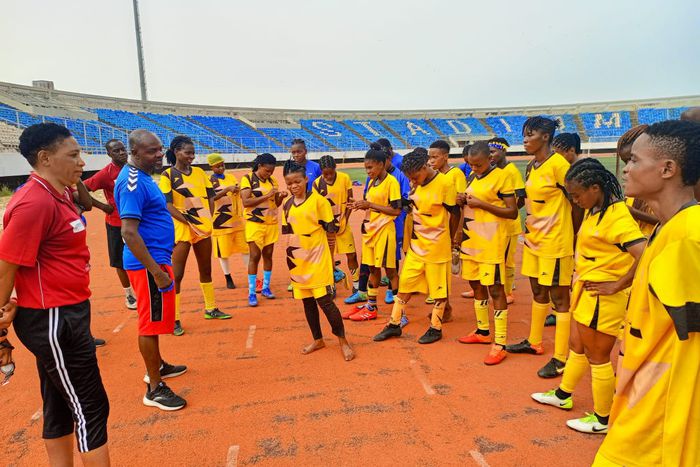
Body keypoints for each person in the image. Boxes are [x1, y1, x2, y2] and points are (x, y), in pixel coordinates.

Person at [0, 123, 110, 465]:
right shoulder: (33, 202)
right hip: (53, 318)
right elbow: (6, 266)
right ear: (45, 158)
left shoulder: (58, 192)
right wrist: (0, 326)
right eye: (73, 155)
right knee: (90, 407)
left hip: (66, 312)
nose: (82, 162)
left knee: (60, 405)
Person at [593, 120, 700, 466]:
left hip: (663, 403)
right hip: (645, 387)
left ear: (667, 169)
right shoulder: (669, 227)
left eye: (635, 161)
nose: (626, 169)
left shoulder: (688, 236)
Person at [531, 158, 645, 434]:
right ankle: (563, 394)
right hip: (586, 291)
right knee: (577, 346)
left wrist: (617, 285)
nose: (574, 200)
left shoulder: (617, 216)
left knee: (598, 356)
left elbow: (645, 254)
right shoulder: (595, 209)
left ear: (595, 188)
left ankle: (603, 419)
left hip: (603, 299)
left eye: (577, 195)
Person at [115, 129, 188, 411]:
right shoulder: (132, 182)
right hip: (148, 264)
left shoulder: (142, 177)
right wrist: (156, 271)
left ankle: (157, 365)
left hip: (155, 259)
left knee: (154, 320)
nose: (159, 155)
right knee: (148, 323)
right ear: (134, 152)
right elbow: (129, 232)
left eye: (159, 149)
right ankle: (154, 388)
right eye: (151, 151)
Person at [506, 116, 582, 379]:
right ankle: (534, 341)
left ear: (546, 137)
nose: (525, 140)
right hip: (534, 239)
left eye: (531, 134)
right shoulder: (532, 165)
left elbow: (577, 203)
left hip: (555, 242)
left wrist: (572, 236)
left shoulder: (559, 165)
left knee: (560, 299)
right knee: (538, 291)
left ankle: (561, 358)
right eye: (524, 134)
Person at [373, 150, 459, 344]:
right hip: (417, 246)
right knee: (405, 284)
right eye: (410, 178)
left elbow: (455, 213)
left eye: (415, 177)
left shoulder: (445, 184)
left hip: (437, 246)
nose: (413, 181)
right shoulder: (415, 183)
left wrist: (452, 238)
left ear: (425, 167)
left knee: (439, 290)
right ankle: (394, 324)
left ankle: (436, 327)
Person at [281, 160, 355, 361]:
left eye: (297, 181)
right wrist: (290, 260)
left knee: (325, 301)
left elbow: (331, 232)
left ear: (306, 179)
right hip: (297, 259)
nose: (294, 186)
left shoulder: (319, 202)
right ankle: (318, 339)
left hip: (317, 256)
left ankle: (343, 341)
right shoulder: (287, 205)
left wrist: (330, 260)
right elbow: (287, 233)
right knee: (307, 302)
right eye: (289, 183)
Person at [160, 136, 231, 335]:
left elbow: (210, 197)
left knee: (206, 268)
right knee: (177, 274)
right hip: (182, 227)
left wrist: (206, 218)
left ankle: (211, 308)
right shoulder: (167, 175)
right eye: (187, 152)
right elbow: (167, 205)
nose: (191, 156)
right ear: (176, 152)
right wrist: (188, 221)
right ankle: (174, 318)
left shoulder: (199, 172)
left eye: (193, 153)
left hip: (202, 226)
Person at [454, 142, 518, 364]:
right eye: (471, 165)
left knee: (496, 289)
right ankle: (482, 331)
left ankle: (500, 343)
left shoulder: (502, 176)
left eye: (478, 165)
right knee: (475, 284)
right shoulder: (472, 177)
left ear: (489, 159)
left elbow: (512, 211)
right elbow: (468, 205)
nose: (474, 168)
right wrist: (461, 201)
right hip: (471, 238)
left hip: (491, 241)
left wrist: (482, 204)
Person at [345, 143, 409, 309]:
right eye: (366, 168)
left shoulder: (391, 182)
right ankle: (371, 306)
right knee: (373, 269)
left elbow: (396, 210)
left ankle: (399, 311)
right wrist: (360, 204)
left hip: (385, 231)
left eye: (370, 167)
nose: (368, 171)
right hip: (371, 231)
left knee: (390, 271)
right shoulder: (372, 182)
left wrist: (370, 205)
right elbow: (372, 204)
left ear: (381, 164)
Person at [84, 139, 138, 311]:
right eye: (116, 151)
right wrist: (102, 206)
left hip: (138, 221)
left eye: (123, 149)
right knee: (119, 261)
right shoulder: (106, 173)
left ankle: (146, 288)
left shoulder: (134, 168)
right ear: (109, 154)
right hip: (116, 224)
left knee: (143, 255)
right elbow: (82, 189)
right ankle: (129, 294)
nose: (121, 153)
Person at [240, 153, 287, 307]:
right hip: (255, 223)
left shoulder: (273, 181)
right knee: (255, 255)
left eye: (272, 171)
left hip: (271, 223)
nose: (269, 174)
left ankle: (266, 287)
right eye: (267, 171)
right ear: (259, 166)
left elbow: (276, 203)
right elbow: (246, 202)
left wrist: (281, 197)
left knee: (268, 255)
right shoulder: (248, 179)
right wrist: (267, 195)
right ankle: (252, 292)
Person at [427, 139, 466, 314]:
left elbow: (461, 205)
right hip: (435, 228)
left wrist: (458, 232)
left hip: (449, 226)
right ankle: (443, 305)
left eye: (435, 157)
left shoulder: (455, 174)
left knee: (443, 269)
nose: (431, 161)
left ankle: (445, 307)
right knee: (436, 269)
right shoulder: (432, 175)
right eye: (430, 157)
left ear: (445, 156)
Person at [314, 155, 360, 292]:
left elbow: (350, 201)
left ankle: (357, 284)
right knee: (328, 257)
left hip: (343, 224)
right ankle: (331, 285)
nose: (328, 176)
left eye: (331, 173)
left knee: (351, 254)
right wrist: (325, 225)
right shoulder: (316, 184)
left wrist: (345, 219)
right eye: (325, 174)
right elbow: (316, 207)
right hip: (326, 228)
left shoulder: (344, 178)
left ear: (335, 168)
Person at [487, 137, 524, 304]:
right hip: (494, 224)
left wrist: (509, 211)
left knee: (507, 260)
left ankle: (508, 292)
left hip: (508, 225)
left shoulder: (511, 171)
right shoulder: (493, 170)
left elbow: (521, 196)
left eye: (493, 152)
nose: (490, 155)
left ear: (503, 151)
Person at [207, 153, 248, 289]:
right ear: (211, 167)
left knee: (246, 249)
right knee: (223, 253)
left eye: (222, 165)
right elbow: (211, 198)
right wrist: (227, 190)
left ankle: (251, 275)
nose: (221, 168)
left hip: (236, 220)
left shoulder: (230, 177)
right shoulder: (209, 181)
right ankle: (228, 277)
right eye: (218, 166)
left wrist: (237, 190)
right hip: (220, 221)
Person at [617, 125, 659, 237]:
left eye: (633, 160)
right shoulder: (632, 192)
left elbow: (670, 221)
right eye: (625, 162)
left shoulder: (663, 192)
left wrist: (634, 212)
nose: (626, 168)